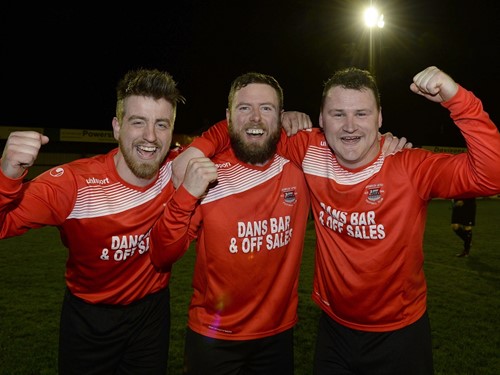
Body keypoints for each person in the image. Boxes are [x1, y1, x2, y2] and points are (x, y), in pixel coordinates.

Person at [175, 66, 500, 374]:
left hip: (399, 333)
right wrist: (200, 146)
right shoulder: (307, 149)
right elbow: (249, 126)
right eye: (337, 114)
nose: (349, 126)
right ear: (321, 119)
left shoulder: (410, 167)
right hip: (333, 332)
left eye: (362, 114)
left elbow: (491, 174)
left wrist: (457, 98)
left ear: (380, 118)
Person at [152, 72, 409, 375]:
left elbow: (350, 152)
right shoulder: (205, 171)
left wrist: (385, 144)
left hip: (277, 337)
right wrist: (186, 194)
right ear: (228, 116)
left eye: (267, 108)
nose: (256, 118)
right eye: (244, 108)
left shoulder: (301, 166)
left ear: (281, 116)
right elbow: (163, 254)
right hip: (213, 335)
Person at [0, 68, 193, 374]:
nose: (150, 137)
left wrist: (289, 120)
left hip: (151, 315)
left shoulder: (179, 169)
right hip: (88, 319)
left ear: (172, 131)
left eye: (161, 124)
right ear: (117, 127)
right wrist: (6, 175)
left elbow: (234, 137)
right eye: (138, 122)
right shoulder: (73, 184)